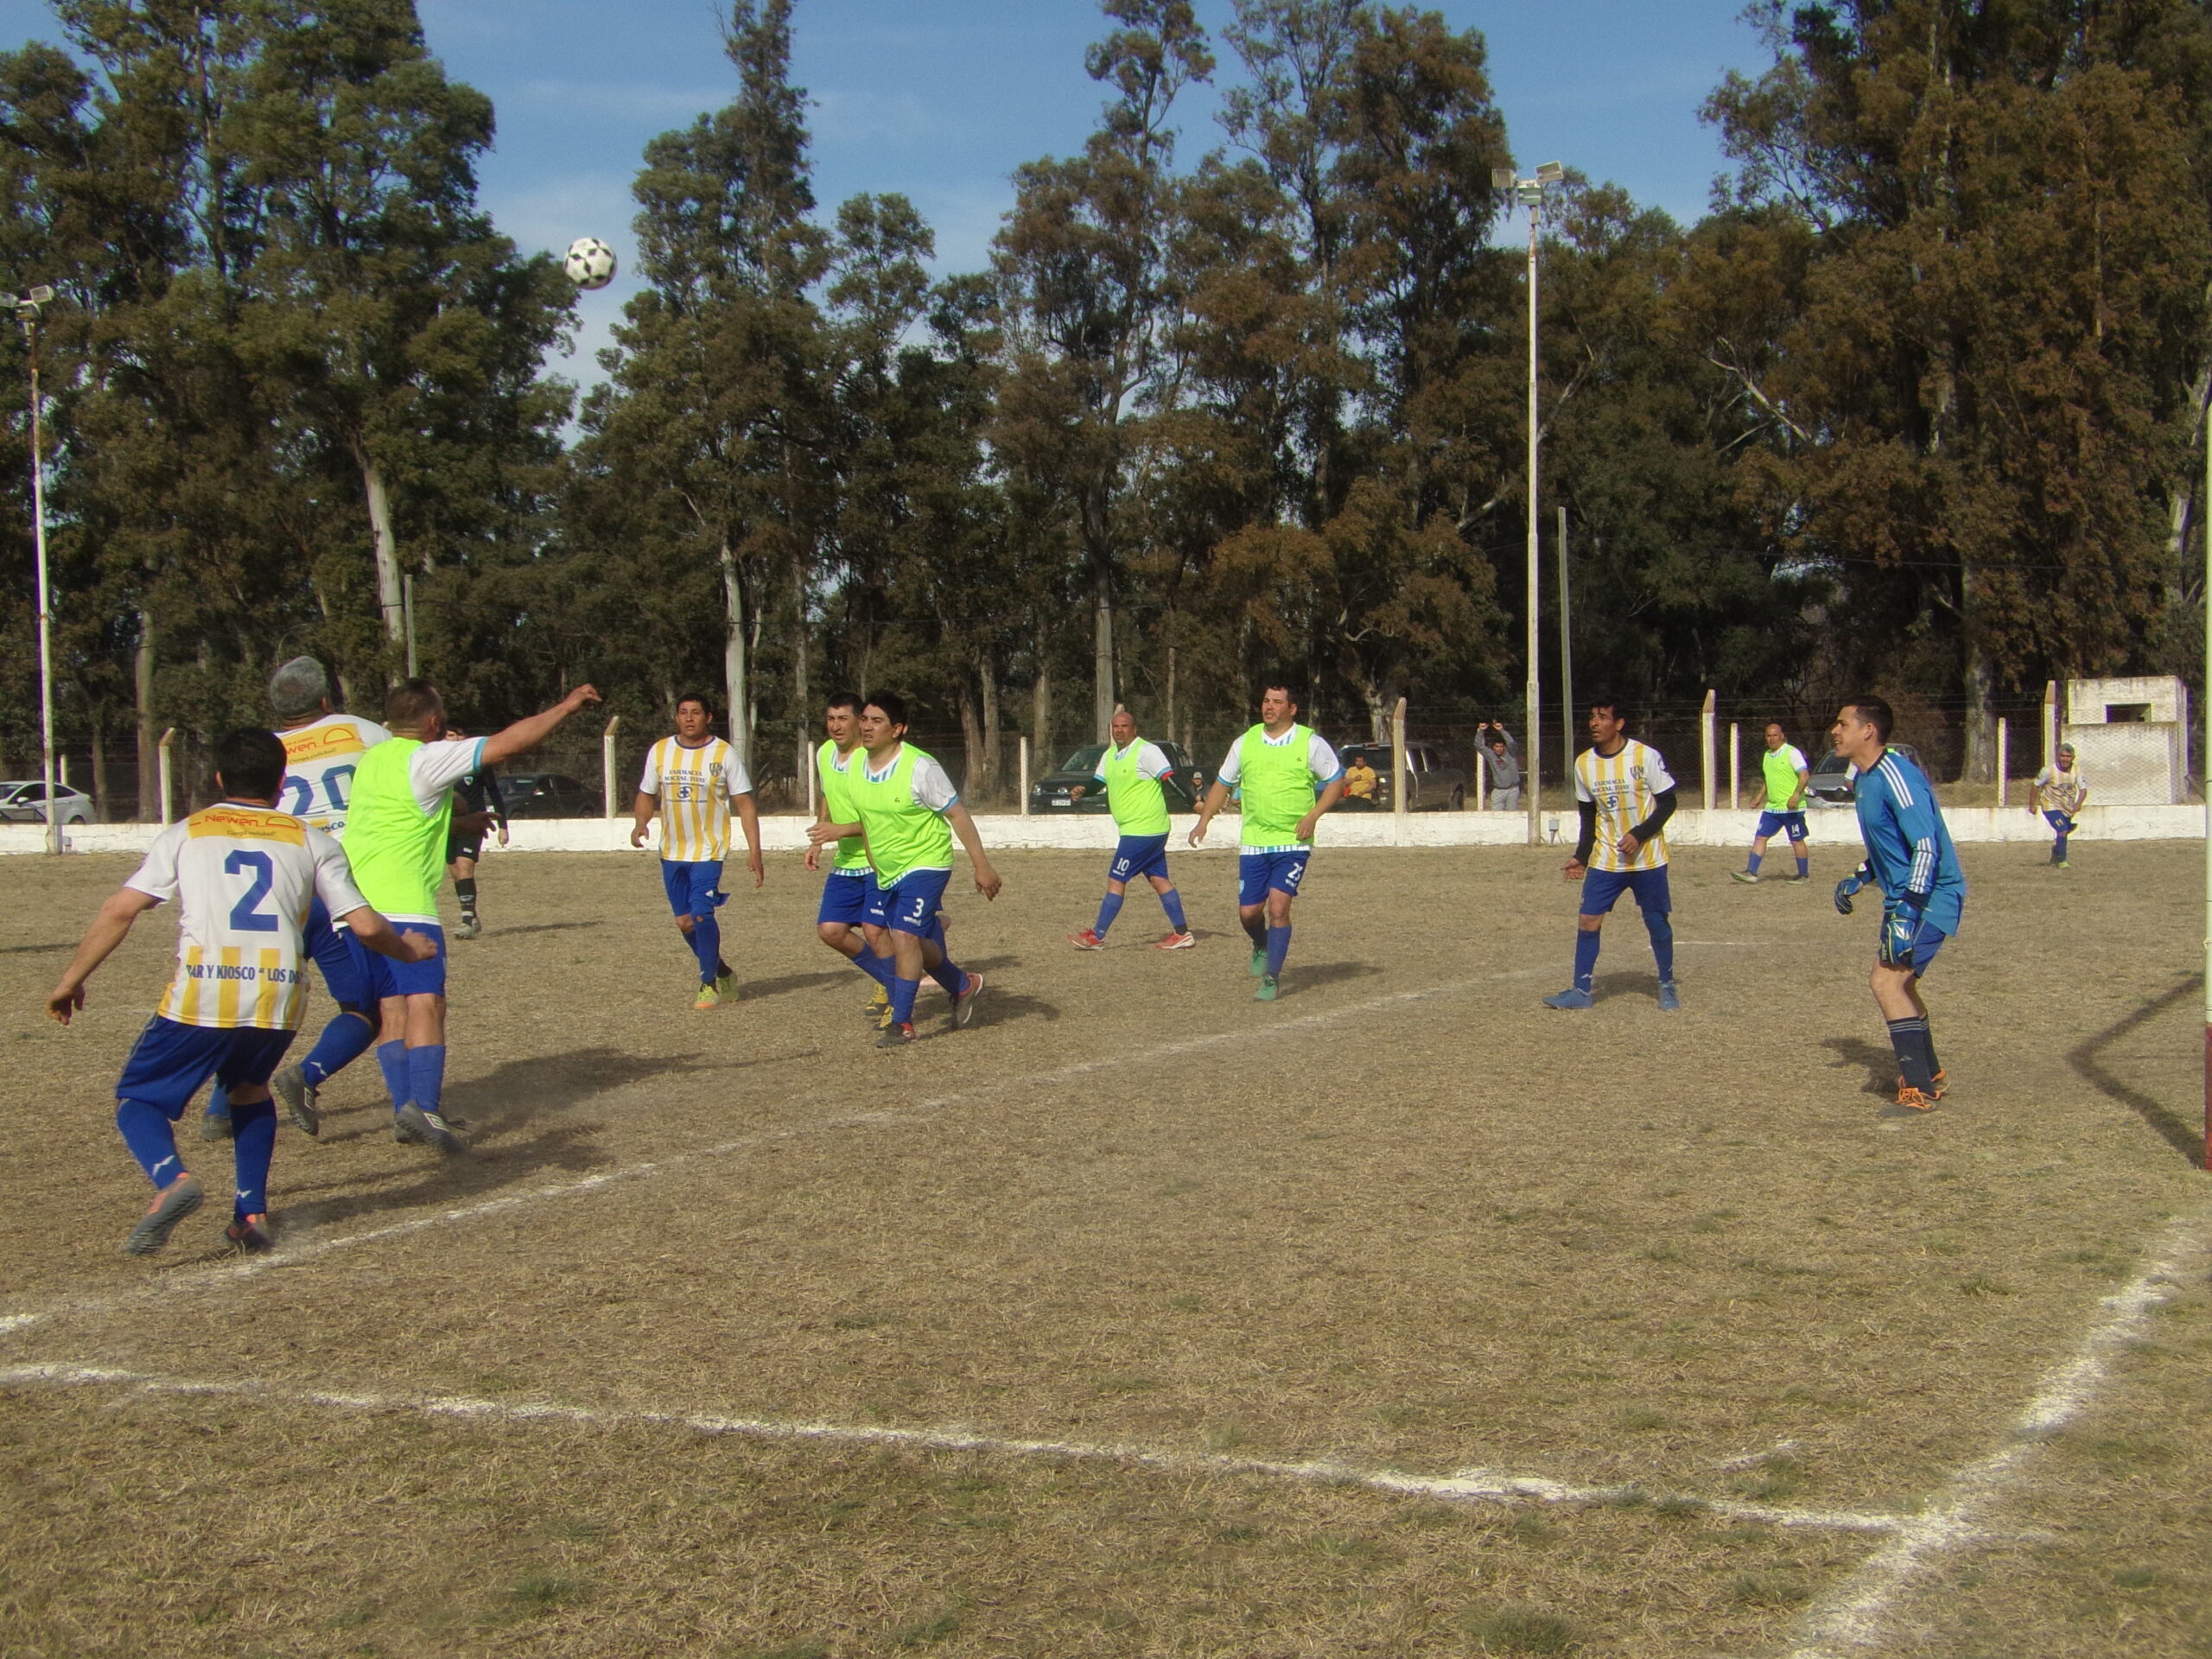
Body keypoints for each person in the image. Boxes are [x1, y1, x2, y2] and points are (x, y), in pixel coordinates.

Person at [45, 728, 435, 1255]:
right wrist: (408, 951)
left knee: (139, 1099)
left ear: (219, 778)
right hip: (279, 996)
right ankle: (250, 1214)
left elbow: (121, 909)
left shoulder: (187, 833)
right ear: (281, 783)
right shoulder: (313, 841)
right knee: (249, 1090)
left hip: (207, 990)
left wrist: (71, 980)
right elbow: (365, 926)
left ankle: (172, 1180)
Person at [349, 677, 601, 1154]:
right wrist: (566, 707)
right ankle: (425, 1109)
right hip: (405, 905)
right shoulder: (425, 757)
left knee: (392, 1008)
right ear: (433, 722)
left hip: (358, 905)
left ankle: (405, 1111)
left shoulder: (372, 760)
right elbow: (509, 743)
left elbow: (401, 816)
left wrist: (460, 820)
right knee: (428, 1004)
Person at [203, 655, 391, 1144]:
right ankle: (307, 1074)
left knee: (258, 1000)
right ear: (326, 698)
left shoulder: (263, 751)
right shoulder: (363, 732)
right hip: (336, 890)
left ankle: (220, 1108)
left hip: (273, 890)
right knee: (364, 1007)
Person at [826, 691, 998, 1047]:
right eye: (865, 719)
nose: (867, 727)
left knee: (904, 936)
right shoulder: (855, 767)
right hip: (887, 870)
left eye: (877, 721)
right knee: (912, 940)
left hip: (927, 863)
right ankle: (962, 984)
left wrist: (982, 866)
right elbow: (868, 824)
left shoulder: (920, 767)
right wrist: (877, 867)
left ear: (898, 729)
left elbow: (957, 815)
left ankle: (902, 1023)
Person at [1830, 696, 1967, 1111]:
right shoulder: (1865, 779)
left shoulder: (1896, 775)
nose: (1835, 731)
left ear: (1867, 730)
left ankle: (1918, 1089)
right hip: (1905, 897)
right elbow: (1893, 846)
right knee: (1900, 984)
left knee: (1886, 982)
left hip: (1930, 896)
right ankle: (1931, 1073)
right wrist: (1861, 874)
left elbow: (1926, 846)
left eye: (1843, 724)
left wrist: (1907, 911)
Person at [1188, 682, 1345, 1002]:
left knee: (1278, 908)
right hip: (1254, 842)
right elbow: (1223, 783)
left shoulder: (1310, 742)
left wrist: (1313, 816)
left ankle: (1272, 978)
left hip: (1292, 842)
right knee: (1248, 913)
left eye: (1277, 701)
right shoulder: (1245, 742)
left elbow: (1335, 781)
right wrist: (1204, 820)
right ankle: (1260, 944)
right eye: (1265, 701)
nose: (1269, 707)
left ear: (1292, 709)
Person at [1543, 696, 1681, 1011]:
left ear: (1619, 724)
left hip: (1647, 859)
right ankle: (1581, 991)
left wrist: (1639, 834)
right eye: (1592, 716)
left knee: (1656, 921)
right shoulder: (1583, 764)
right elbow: (1588, 816)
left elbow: (1669, 802)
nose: (1594, 723)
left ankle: (1666, 984)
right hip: (1606, 859)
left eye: (1603, 717)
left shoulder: (1645, 756)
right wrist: (1581, 856)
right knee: (1588, 919)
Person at [631, 693, 766, 1010]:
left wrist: (755, 851)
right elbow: (646, 794)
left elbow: (745, 805)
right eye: (683, 712)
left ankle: (707, 983)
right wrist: (640, 823)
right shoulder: (660, 751)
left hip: (709, 851)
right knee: (685, 922)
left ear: (708, 717)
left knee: (702, 913)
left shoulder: (724, 754)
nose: (689, 718)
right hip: (672, 851)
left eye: (696, 712)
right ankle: (724, 972)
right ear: (676, 717)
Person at [1067, 705, 1195, 950]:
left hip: (1143, 830)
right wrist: (1084, 791)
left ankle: (1097, 936)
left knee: (1116, 879)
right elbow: (1098, 782)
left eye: (1124, 726)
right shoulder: (1110, 755)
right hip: (1141, 830)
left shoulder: (1147, 751)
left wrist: (1193, 802)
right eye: (1115, 727)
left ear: (1134, 729)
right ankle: (1182, 934)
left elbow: (1169, 779)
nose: (1119, 730)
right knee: (1159, 880)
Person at [804, 690, 897, 1013]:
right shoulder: (824, 753)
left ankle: (897, 999)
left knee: (875, 930)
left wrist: (840, 830)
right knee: (830, 930)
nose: (836, 725)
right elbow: (828, 796)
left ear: (859, 722)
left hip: (877, 859)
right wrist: (819, 839)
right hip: (846, 861)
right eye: (831, 718)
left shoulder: (871, 760)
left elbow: (881, 818)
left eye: (843, 718)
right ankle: (893, 979)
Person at [443, 728, 509, 938]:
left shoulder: (476, 763)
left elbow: (494, 792)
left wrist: (503, 826)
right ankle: (472, 916)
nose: (456, 739)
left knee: (464, 867)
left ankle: (466, 922)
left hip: (473, 823)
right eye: (450, 735)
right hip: (448, 825)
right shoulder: (439, 763)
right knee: (455, 872)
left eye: (459, 735)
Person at [1732, 721, 1812, 884]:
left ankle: (1803, 875)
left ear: (1782, 736)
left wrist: (1796, 795)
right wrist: (1759, 797)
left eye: (1775, 735)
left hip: (1792, 808)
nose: (1772, 738)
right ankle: (1751, 872)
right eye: (1768, 736)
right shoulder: (1767, 755)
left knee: (1796, 840)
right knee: (1760, 837)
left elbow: (1804, 775)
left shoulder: (1791, 753)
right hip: (1773, 809)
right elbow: (1768, 780)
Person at [2029, 743, 2088, 868]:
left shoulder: (2077, 770)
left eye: (2068, 756)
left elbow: (2083, 789)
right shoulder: (2048, 771)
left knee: (2064, 831)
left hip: (2067, 808)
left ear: (2073, 758)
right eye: (2062, 756)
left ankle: (2056, 852)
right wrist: (2032, 805)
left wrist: (2078, 803)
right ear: (2058, 756)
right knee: (2062, 830)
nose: (2065, 759)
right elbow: (2035, 785)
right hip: (2050, 806)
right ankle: (2062, 861)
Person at [1480, 721, 1522, 811]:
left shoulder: (1511, 753)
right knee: (1496, 816)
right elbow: (1479, 746)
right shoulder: (1491, 755)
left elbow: (1512, 743)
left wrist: (1501, 730)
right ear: (1493, 748)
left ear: (1504, 747)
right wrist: (1480, 731)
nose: (1499, 749)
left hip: (1512, 789)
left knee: (1511, 815)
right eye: (1496, 746)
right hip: (1498, 790)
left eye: (1501, 746)